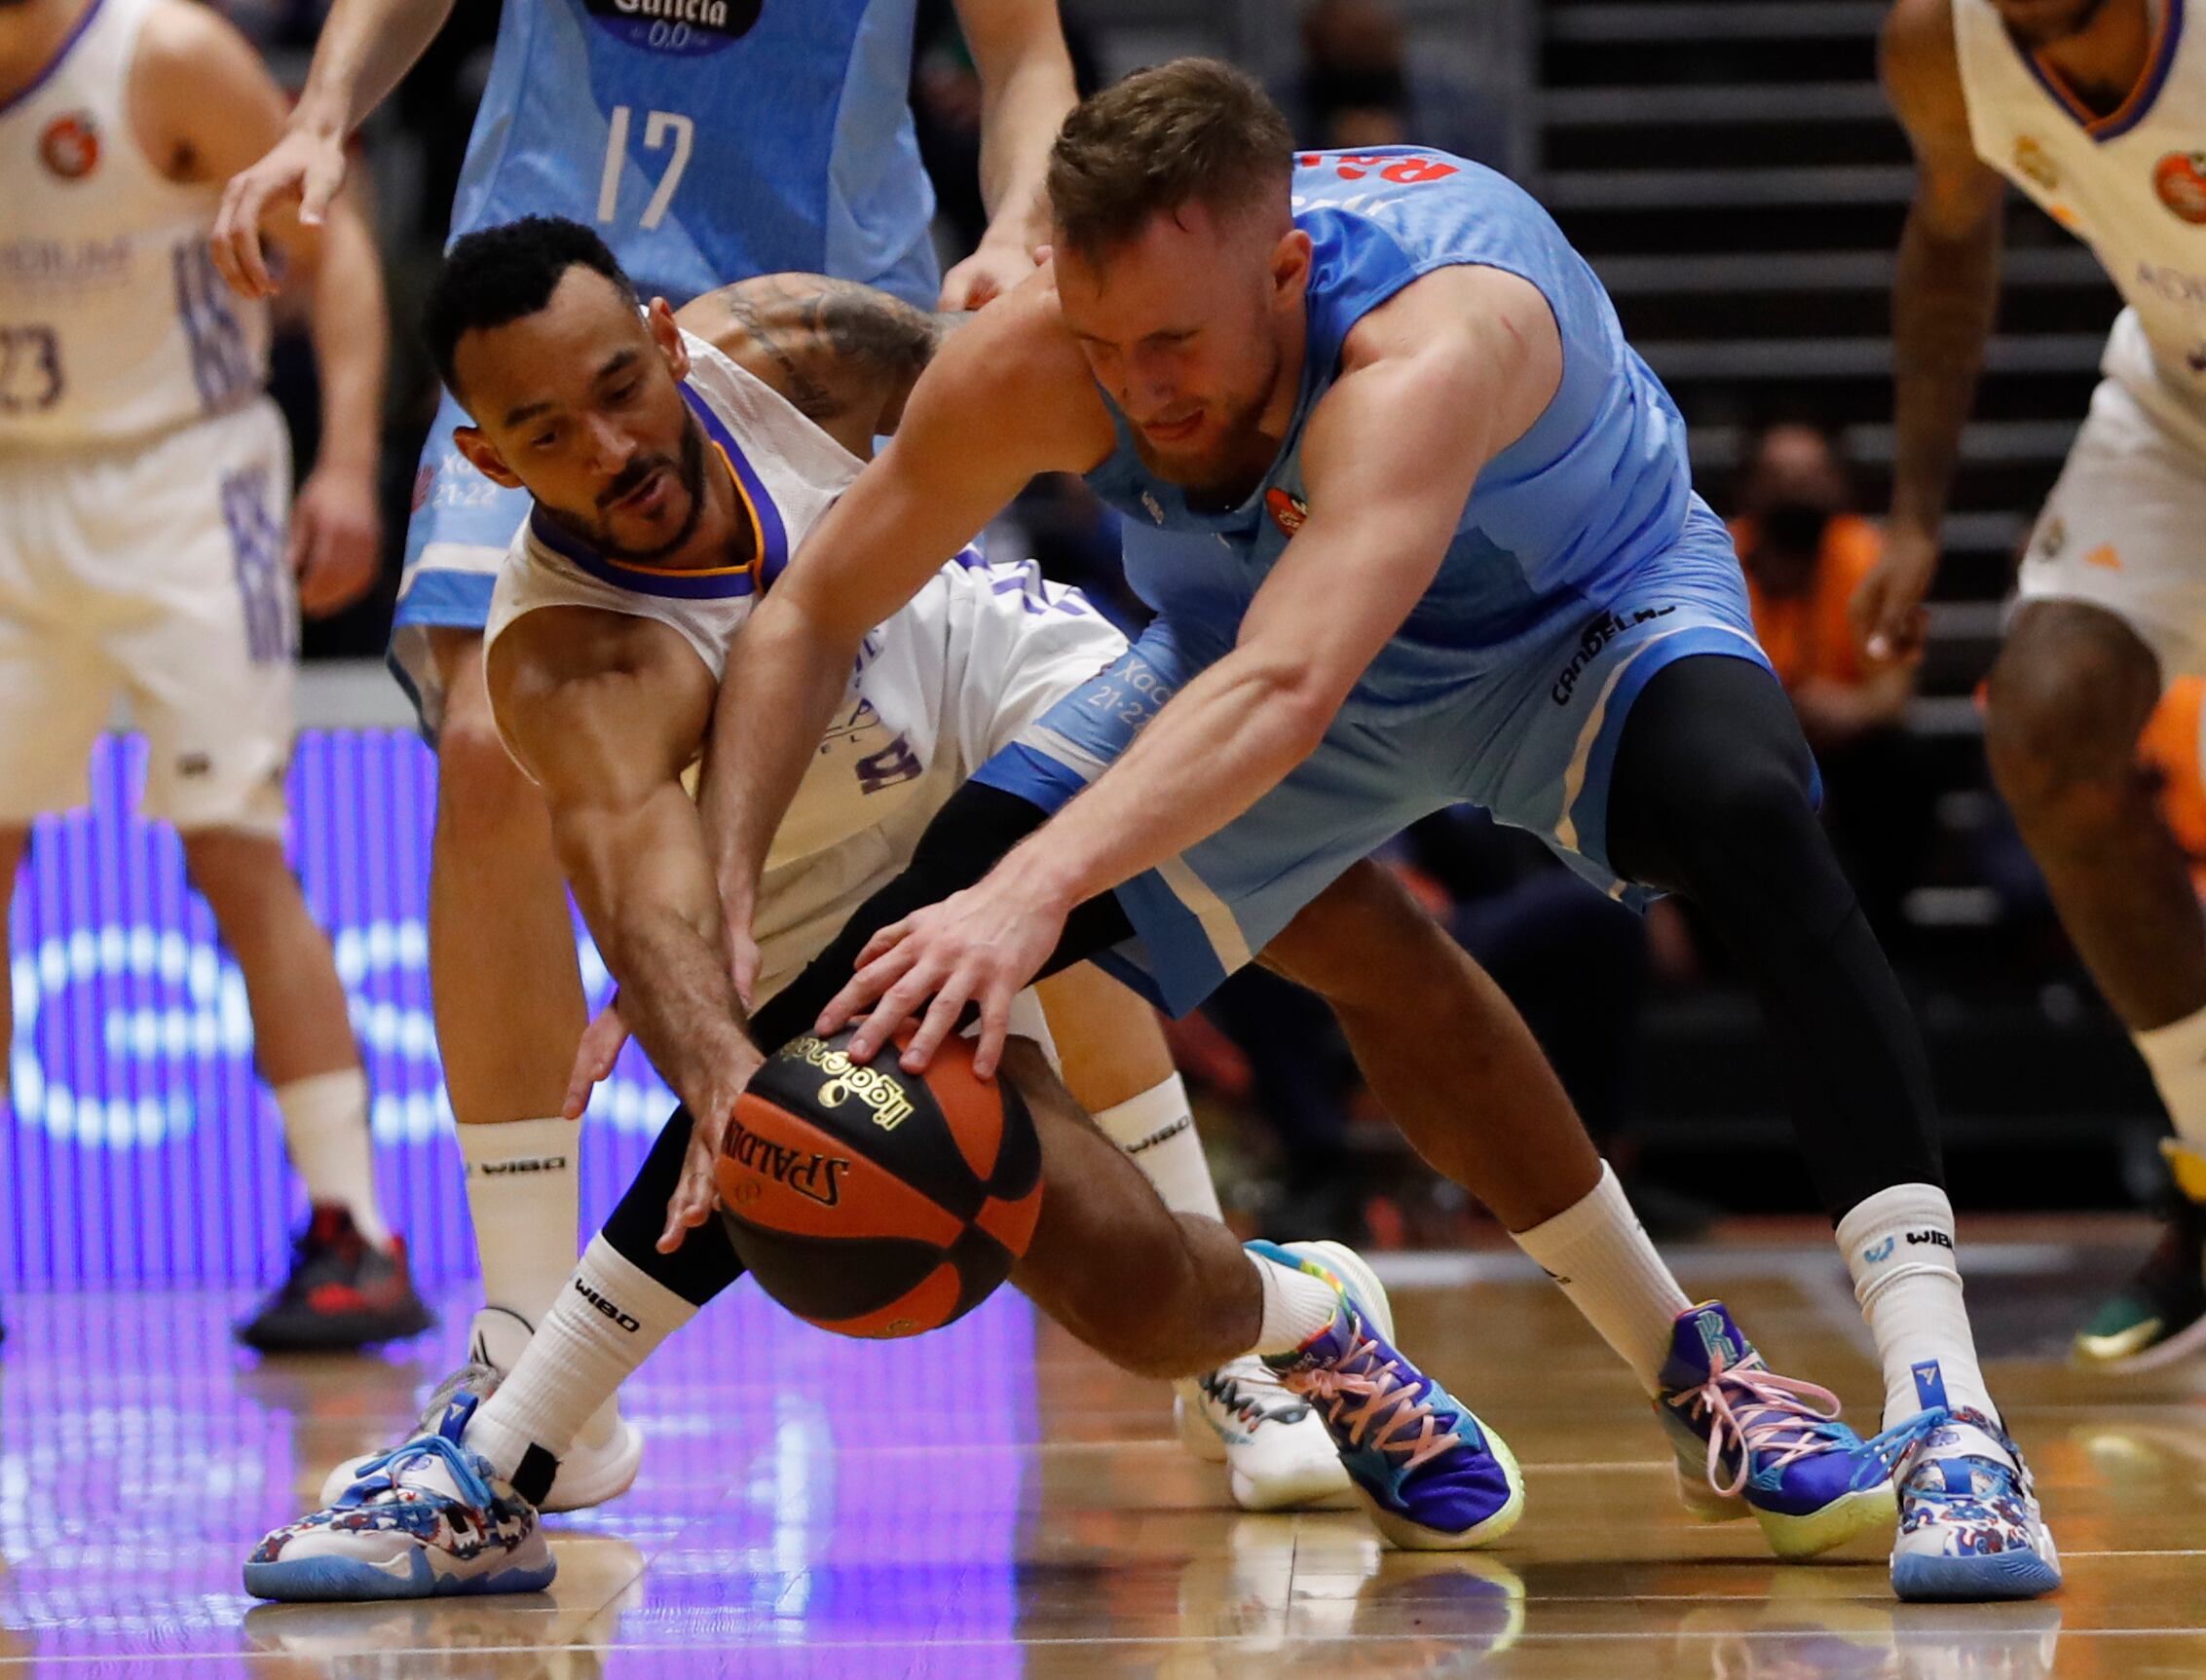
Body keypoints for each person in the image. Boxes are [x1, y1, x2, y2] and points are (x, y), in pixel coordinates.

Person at [244, 218, 1894, 1603]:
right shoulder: (569, 661)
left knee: (1367, 938)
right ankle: (1307, 1319)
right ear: (484, 458)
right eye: (546, 436)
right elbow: (652, 901)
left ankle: (1691, 1363)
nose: (608, 449)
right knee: (1128, 1292)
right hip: (830, 894)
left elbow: (1077, 397)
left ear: (671, 341)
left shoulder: (797, 349)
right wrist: (731, 1088)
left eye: (618, 389)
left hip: (1011, 681)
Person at [707, 63, 2059, 1603]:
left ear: (1285, 271)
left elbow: (1288, 692)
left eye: (1172, 344)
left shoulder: (1430, 340)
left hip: (1575, 624)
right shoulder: (1037, 362)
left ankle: (1946, 1413)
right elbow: (809, 607)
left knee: (1751, 815)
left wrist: (1034, 892)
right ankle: (519, 1433)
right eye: (1101, 344)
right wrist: (722, 918)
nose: (1138, 389)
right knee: (862, 1019)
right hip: (1263, 642)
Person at [206, 0, 1085, 1488]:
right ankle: (525, 1329)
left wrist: (1020, 227)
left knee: (1023, 787)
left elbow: (1025, 52)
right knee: (492, 745)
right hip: (556, 343)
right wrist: (324, 109)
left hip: (812, 324)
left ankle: (1231, 1297)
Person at [0, 0, 430, 1351]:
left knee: (235, 850)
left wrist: (350, 460)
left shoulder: (164, 56)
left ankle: (350, 1227)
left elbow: (334, 241)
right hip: (15, 485)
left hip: (185, 479)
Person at [1858, 0, 2206, 1374]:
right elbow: (1951, 231)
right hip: (2176, 406)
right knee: (2049, 721)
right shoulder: (1940, 47)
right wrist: (1916, 512)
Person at [1733, 422, 1926, 943]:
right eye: (1780, 475)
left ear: (1838, 485)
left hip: (1844, 747)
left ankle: (1885, 940)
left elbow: (1892, 697)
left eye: (1809, 474)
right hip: (1748, 750)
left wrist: (1848, 708)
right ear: (1750, 488)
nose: (1795, 487)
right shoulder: (1715, 558)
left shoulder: (1873, 557)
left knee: (1902, 762)